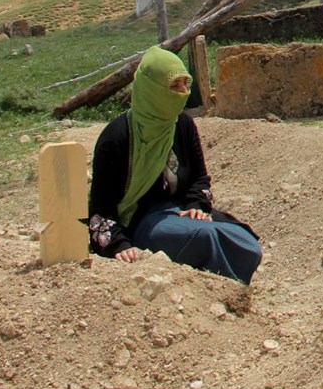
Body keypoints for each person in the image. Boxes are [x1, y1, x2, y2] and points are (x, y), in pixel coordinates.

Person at [88, 46, 262, 284]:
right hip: (140, 221)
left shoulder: (182, 124)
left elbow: (200, 177)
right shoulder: (117, 137)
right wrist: (118, 244)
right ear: (152, 89)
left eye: (185, 84)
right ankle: (226, 290)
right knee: (206, 237)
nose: (182, 92)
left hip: (179, 212)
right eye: (174, 86)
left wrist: (196, 205)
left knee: (246, 242)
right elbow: (101, 206)